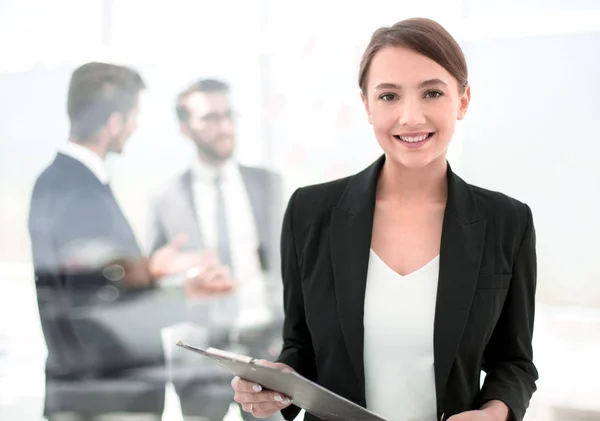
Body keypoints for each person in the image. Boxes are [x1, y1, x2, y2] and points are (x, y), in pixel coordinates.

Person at [231, 17, 538, 421]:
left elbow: (513, 363)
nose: (411, 117)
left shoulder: (506, 222)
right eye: (389, 96)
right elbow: (300, 347)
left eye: (432, 93)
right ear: (367, 107)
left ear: (462, 101)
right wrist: (276, 381)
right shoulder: (310, 212)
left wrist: (494, 413)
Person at [27, 62, 226, 421]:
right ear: (115, 122)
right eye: (133, 116)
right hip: (104, 401)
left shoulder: (64, 183)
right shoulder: (77, 192)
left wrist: (150, 271)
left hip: (94, 396)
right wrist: (185, 293)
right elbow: (100, 308)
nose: (135, 127)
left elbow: (98, 281)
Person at [146, 79, 283, 421]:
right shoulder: (164, 197)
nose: (223, 127)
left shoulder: (268, 185)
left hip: (263, 349)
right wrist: (188, 281)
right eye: (210, 118)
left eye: (228, 115)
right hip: (199, 357)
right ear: (184, 127)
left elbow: (289, 266)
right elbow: (152, 283)